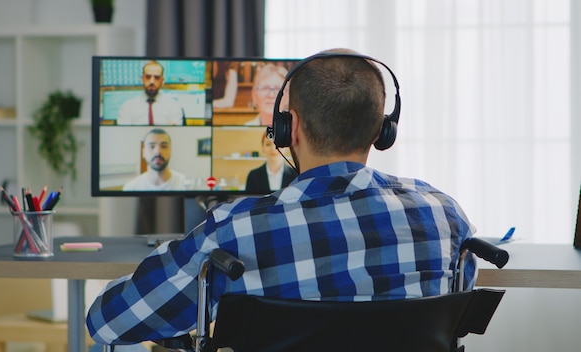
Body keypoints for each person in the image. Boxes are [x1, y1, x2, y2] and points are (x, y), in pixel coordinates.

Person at [87, 48, 477, 345]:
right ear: (382, 131)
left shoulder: (234, 230)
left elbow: (107, 323)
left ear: (289, 129)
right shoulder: (443, 214)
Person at [117, 60, 184, 126]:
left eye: (156, 77)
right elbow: (123, 134)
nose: (152, 81)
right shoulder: (127, 107)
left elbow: (175, 134)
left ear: (162, 81)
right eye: (148, 77)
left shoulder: (174, 106)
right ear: (142, 79)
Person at [123, 128, 187, 191]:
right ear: (143, 153)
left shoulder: (186, 186)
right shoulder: (131, 188)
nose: (158, 151)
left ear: (170, 151)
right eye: (152, 146)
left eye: (164, 146)